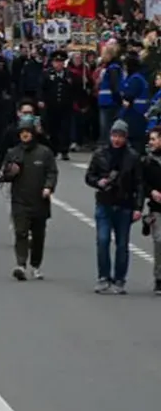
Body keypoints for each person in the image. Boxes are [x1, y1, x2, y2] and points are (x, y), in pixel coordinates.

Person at [0, 110, 56, 281]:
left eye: (27, 132)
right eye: (22, 132)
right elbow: (5, 173)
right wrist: (5, 174)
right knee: (20, 232)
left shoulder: (45, 153)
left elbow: (52, 172)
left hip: (39, 200)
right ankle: (20, 264)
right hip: (19, 200)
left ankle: (35, 265)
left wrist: (48, 187)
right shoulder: (13, 152)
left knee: (38, 235)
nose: (25, 135)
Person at [84, 121, 141, 294]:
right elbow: (89, 176)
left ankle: (120, 279)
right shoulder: (100, 154)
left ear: (125, 137)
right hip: (104, 202)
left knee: (122, 244)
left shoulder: (133, 156)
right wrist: (98, 182)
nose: (116, 139)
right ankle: (103, 277)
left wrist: (138, 207)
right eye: (114, 135)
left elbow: (139, 184)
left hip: (124, 205)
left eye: (120, 136)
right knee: (102, 240)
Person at [140, 127, 161, 295]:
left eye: (154, 139)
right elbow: (141, 183)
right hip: (157, 208)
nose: (151, 142)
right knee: (159, 241)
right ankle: (159, 278)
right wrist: (151, 192)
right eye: (150, 139)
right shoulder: (147, 161)